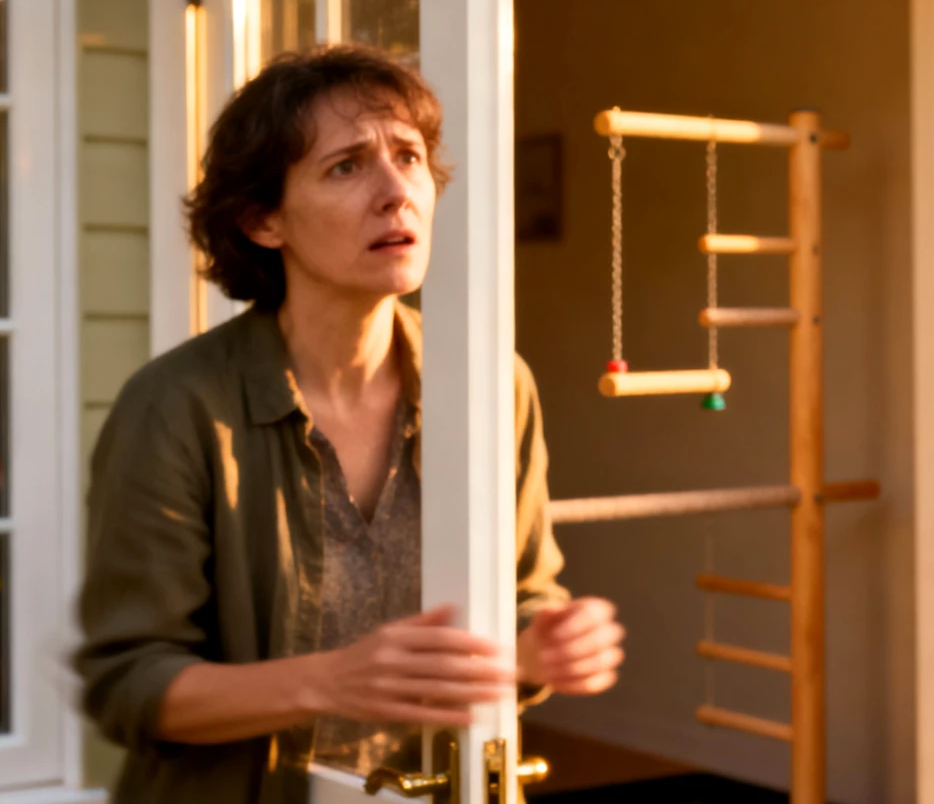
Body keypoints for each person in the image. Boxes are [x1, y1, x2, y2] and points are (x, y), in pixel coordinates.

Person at [74, 44, 623, 803]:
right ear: (264, 219)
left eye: (409, 156)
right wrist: (330, 680)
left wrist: (542, 645)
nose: (398, 191)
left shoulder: (496, 384)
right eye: (347, 166)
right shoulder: (175, 407)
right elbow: (132, 683)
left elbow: (526, 594)